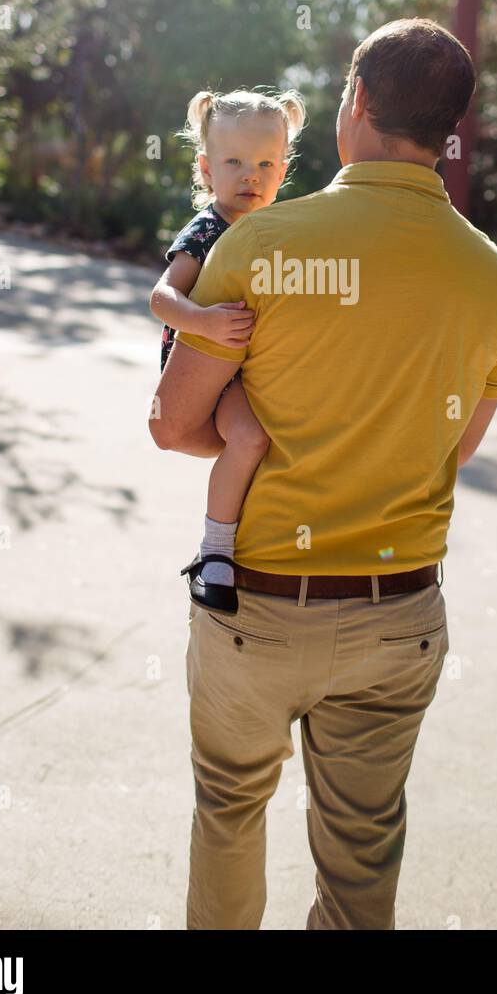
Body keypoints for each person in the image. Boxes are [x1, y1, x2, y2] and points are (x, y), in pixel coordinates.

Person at [149, 17, 497, 930]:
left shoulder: (259, 246)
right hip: (398, 618)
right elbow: (453, 449)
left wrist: (260, 445)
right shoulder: (495, 278)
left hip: (256, 609)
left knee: (230, 815)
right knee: (363, 854)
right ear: (447, 133)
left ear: (355, 105)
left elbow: (170, 423)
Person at [148, 87, 306, 614]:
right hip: (207, 368)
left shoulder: (275, 233)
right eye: (234, 161)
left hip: (249, 364)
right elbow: (162, 297)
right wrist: (203, 321)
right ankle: (215, 553)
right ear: (207, 169)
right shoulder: (207, 230)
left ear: (282, 172)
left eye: (265, 163)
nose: (250, 175)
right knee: (249, 438)